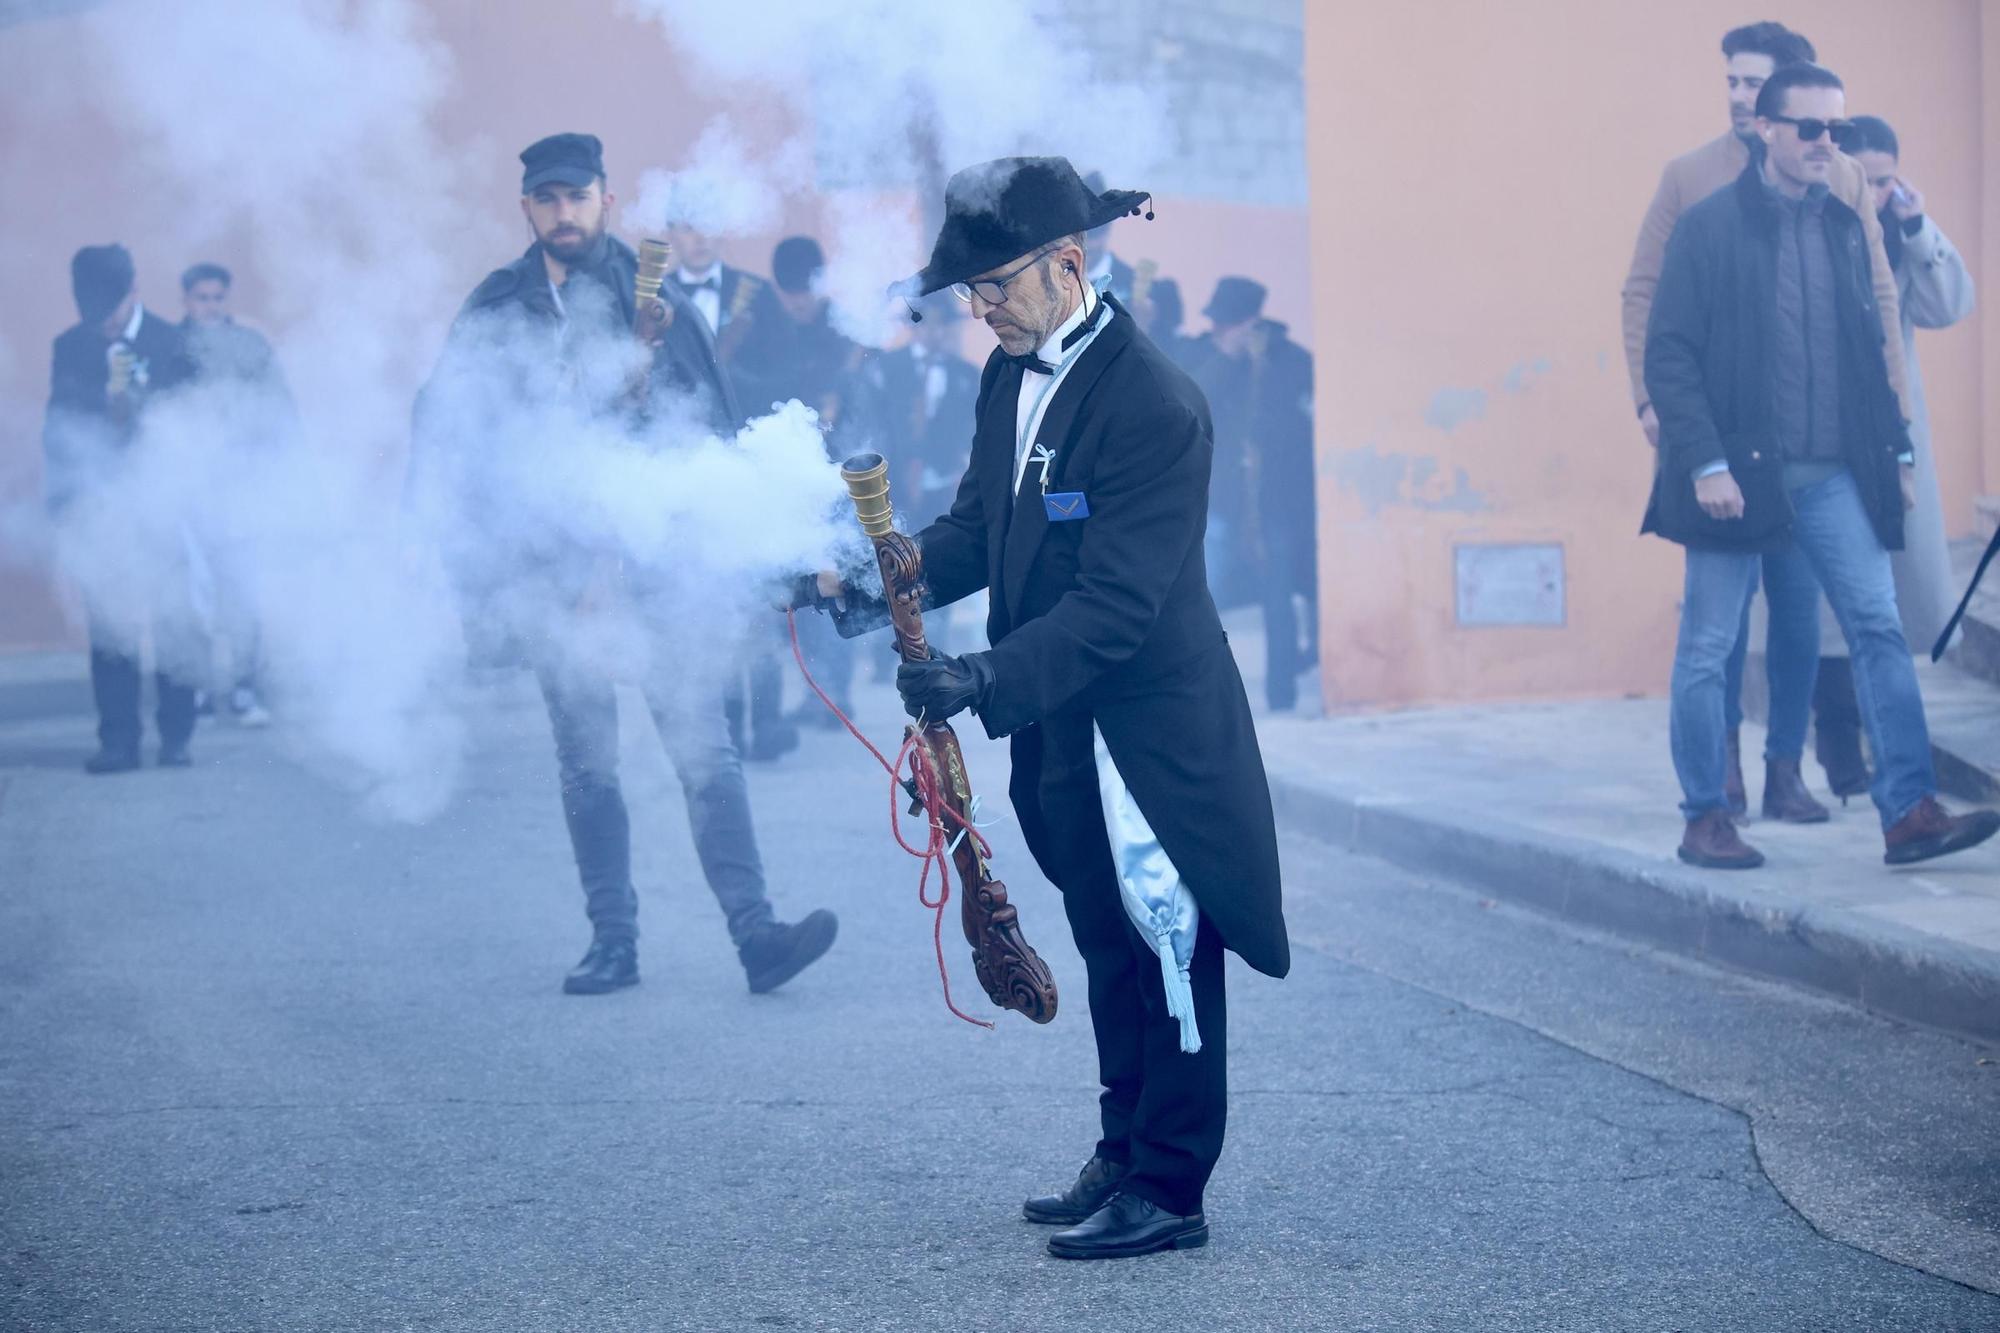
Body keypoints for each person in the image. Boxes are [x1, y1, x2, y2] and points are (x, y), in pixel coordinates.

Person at [815, 157, 1289, 1259]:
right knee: (1103, 940)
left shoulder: (1155, 403)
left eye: (994, 285)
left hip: (1149, 732)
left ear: (1067, 263)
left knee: (1165, 944)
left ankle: (1170, 1186)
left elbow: (1116, 606)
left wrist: (982, 677)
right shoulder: (1005, 373)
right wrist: (866, 584)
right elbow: (979, 529)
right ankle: (1121, 1150)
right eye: (969, 292)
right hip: (1062, 721)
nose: (978, 308)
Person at [413, 132, 837, 996]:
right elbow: (453, 438)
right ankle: (613, 940)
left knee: (707, 753)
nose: (563, 212)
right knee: (588, 765)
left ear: (606, 200)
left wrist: (729, 554)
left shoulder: (660, 302)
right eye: (547, 198)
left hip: (657, 567)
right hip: (554, 574)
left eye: (577, 196)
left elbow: (706, 436)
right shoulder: (496, 308)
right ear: (527, 207)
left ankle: (757, 934)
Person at [1643, 64, 1999, 870]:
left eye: (1834, 130)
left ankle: (1909, 810)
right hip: (1737, 474)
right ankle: (1705, 816)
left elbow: (1871, 351)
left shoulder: (1843, 222)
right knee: (1708, 645)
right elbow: (1670, 354)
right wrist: (1704, 462)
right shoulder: (1707, 227)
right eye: (1809, 128)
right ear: (1766, 129)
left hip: (1833, 472)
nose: (1825, 144)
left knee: (1878, 625)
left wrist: (1896, 450)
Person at [1621, 19, 1910, 823]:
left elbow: (1877, 300)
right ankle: (1720, 781)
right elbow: (1647, 297)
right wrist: (1652, 404)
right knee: (1715, 626)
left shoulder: (1838, 177)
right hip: (1724, 440)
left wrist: (1896, 430)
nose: (1741, 97)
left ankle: (1786, 767)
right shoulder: (1692, 179)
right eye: (1734, 82)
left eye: (1755, 83)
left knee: (1798, 614)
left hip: (1816, 450)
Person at [1806, 115, 1976, 797]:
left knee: (1889, 600)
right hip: (1822, 437)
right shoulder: (1811, 234)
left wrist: (1917, 227)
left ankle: (1890, 765)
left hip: (1891, 439)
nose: (1876, 193)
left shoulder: (1901, 244)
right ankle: (1838, 733)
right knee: (1832, 602)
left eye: (1886, 181)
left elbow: (1949, 306)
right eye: (1866, 179)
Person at [42, 244, 200, 773]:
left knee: (172, 623)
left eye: (108, 310)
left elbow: (196, 424)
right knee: (110, 628)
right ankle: (118, 741)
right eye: (92, 312)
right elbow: (59, 429)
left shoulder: (171, 342)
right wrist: (63, 510)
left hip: (161, 507)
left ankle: (176, 735)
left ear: (133, 289)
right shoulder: (70, 346)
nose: (102, 322)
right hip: (100, 511)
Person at [178, 261, 295, 728]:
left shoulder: (250, 346)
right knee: (195, 594)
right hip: (188, 490)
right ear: (187, 299)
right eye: (201, 298)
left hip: (241, 487)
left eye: (217, 297)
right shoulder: (170, 346)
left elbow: (280, 409)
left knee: (243, 589)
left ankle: (245, 686)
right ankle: (201, 689)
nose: (210, 306)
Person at [1192, 277, 1318, 711]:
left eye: (1226, 322)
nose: (1217, 328)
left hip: (1275, 501)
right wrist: (1227, 358)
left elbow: (1299, 426)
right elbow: (1191, 402)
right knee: (1203, 597)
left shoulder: (1291, 360)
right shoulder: (1207, 355)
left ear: (1250, 321)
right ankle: (1201, 691)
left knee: (1279, 596)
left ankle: (1282, 693)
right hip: (1220, 501)